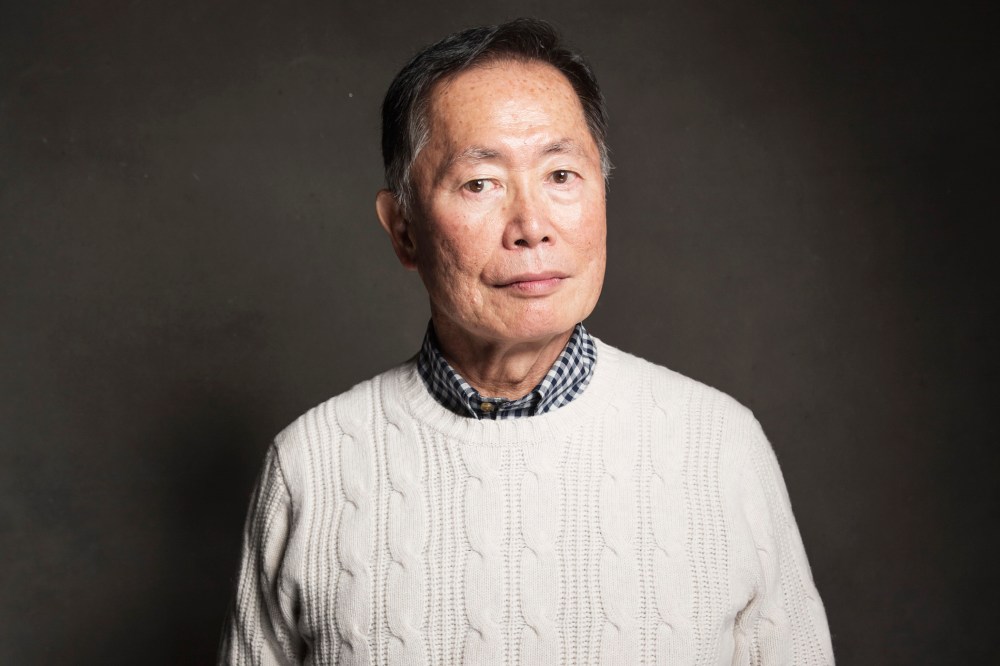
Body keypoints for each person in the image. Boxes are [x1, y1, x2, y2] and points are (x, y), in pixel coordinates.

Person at [219, 18, 834, 665]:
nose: (532, 226)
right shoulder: (312, 466)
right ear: (403, 229)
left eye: (562, 174)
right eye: (480, 183)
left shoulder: (721, 448)